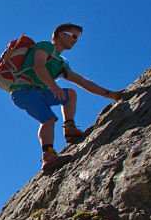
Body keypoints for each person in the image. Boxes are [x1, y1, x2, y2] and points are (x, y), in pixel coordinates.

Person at [10, 23, 124, 173]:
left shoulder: (61, 62)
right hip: (23, 90)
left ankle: (69, 128)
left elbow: (83, 82)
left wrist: (112, 95)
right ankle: (48, 157)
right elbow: (39, 66)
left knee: (70, 94)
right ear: (60, 35)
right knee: (48, 119)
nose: (75, 40)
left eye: (78, 38)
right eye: (73, 36)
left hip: (39, 91)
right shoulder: (45, 46)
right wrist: (54, 86)